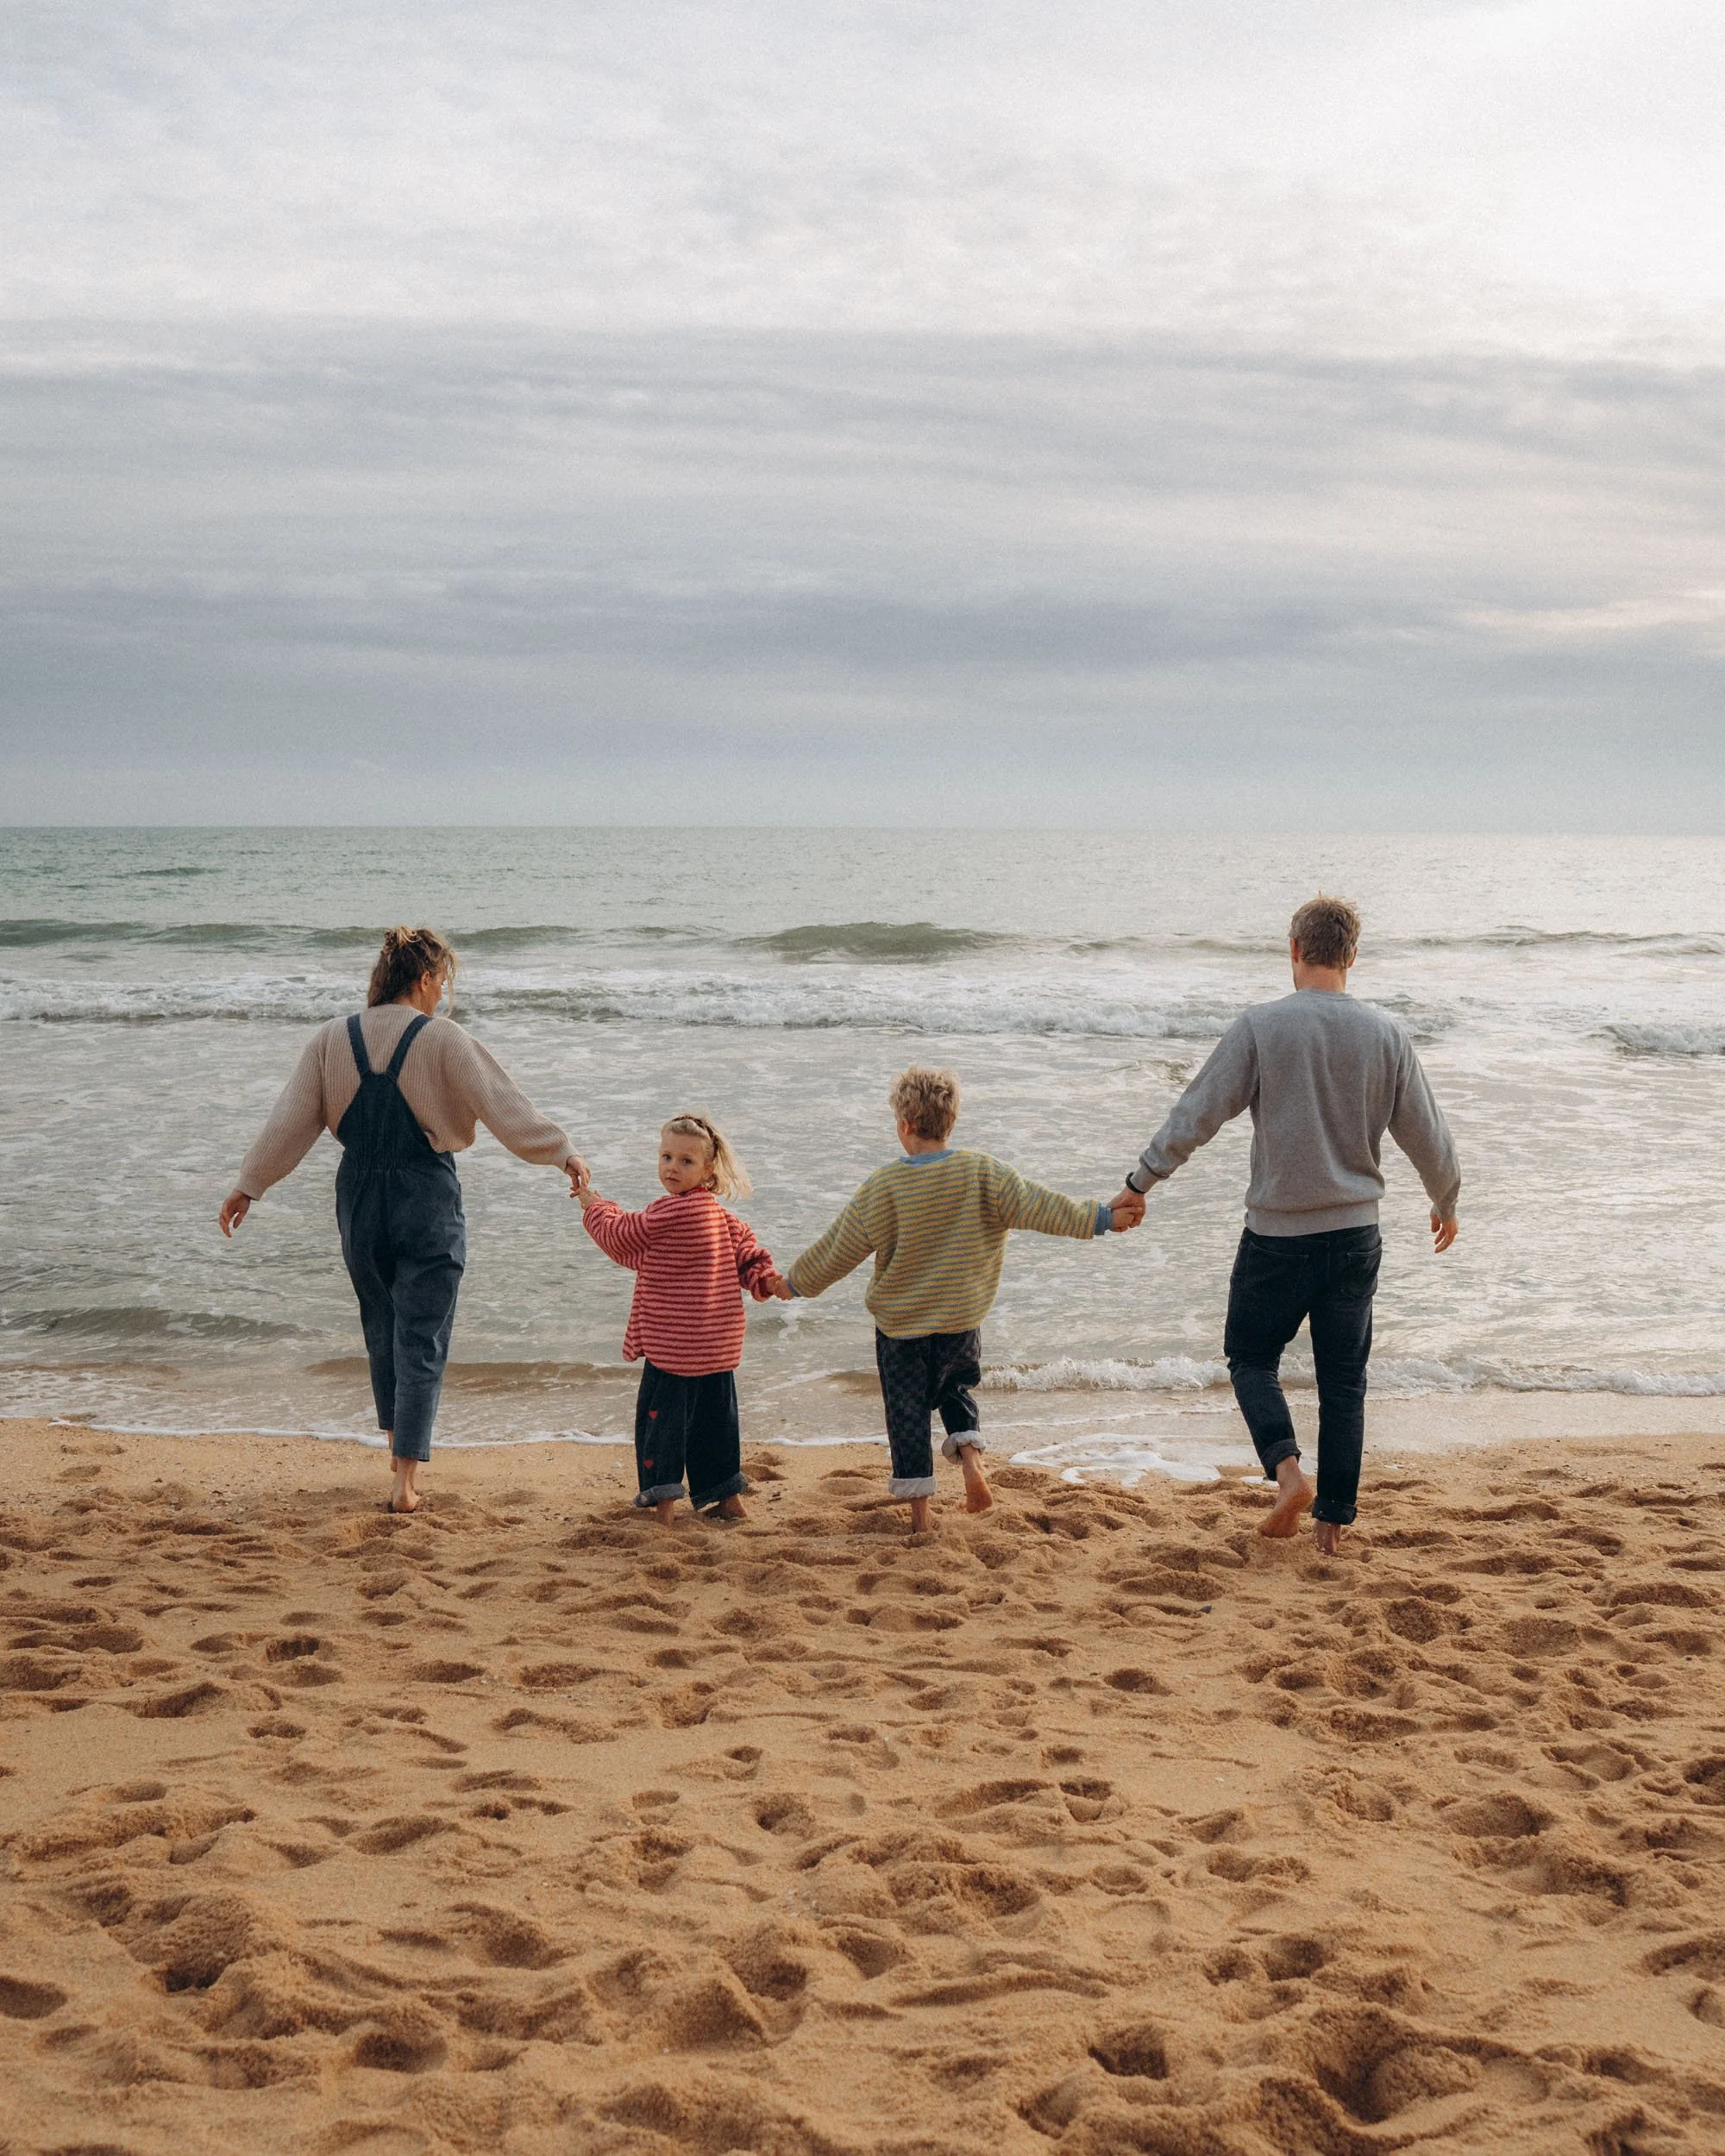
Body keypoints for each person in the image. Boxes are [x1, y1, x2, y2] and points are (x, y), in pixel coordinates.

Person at [1110, 895, 1459, 1555]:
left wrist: (1139, 1184)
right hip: (1356, 1236)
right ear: (1352, 956)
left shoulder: (1261, 1028)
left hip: (1277, 1237)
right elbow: (1428, 1135)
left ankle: (1289, 1474)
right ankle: (1329, 1532)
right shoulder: (1387, 1034)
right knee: (1343, 1383)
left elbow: (1197, 1115)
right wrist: (1446, 1199)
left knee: (1250, 1357)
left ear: (1295, 951)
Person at [218, 926, 586, 1514]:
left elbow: (289, 1123)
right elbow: (503, 1105)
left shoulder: (330, 1040)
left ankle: (397, 1452)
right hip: (425, 1195)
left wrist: (248, 1186)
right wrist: (560, 1151)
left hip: (358, 1197)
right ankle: (405, 1482)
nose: (443, 995)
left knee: (382, 1329)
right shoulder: (443, 1040)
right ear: (422, 980)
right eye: (442, 983)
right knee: (422, 1335)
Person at [773, 1067, 1138, 1531]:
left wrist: (793, 1283)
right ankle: (971, 1465)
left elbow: (838, 1248)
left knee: (907, 1417)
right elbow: (1042, 1206)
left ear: (905, 1125)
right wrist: (1103, 1218)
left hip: (902, 1329)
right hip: (962, 1320)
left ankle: (921, 1517)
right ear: (951, 1121)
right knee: (956, 1390)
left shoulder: (884, 1186)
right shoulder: (983, 1172)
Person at [579, 1114, 780, 1524]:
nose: (672, 1167)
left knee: (662, 1427)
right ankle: (727, 1499)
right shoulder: (726, 1220)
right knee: (716, 1425)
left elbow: (622, 1236)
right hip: (716, 1349)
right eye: (666, 1156)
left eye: (686, 1161)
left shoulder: (667, 1214)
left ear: (709, 1170)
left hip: (673, 1349)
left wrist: (594, 1206)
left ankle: (665, 1507)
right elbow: (750, 1259)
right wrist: (768, 1280)